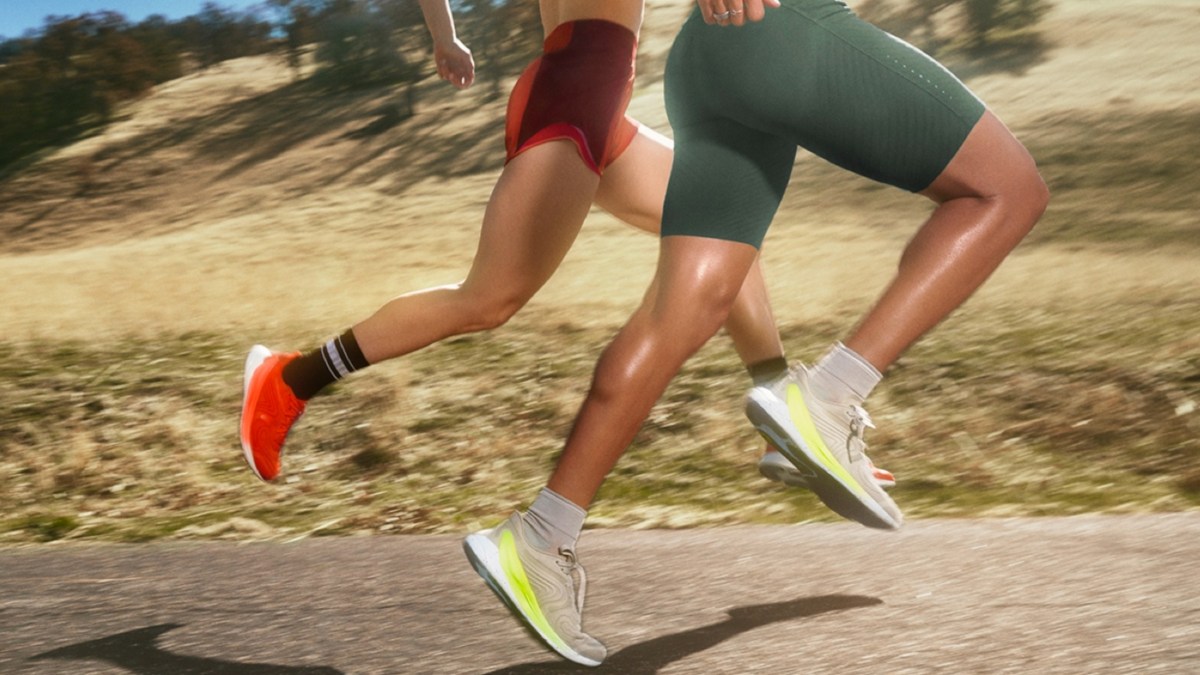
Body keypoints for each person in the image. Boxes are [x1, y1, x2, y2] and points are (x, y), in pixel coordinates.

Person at [462, 0, 1049, 666]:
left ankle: (541, 535)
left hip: (709, 62)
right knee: (1007, 190)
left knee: (686, 307)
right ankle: (828, 397)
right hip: (782, 26)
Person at [239, 0, 891, 490]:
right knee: (488, 300)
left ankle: (787, 425)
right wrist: (444, 35)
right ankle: (287, 380)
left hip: (599, 105)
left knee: (726, 227)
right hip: (570, 103)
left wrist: (446, 36)